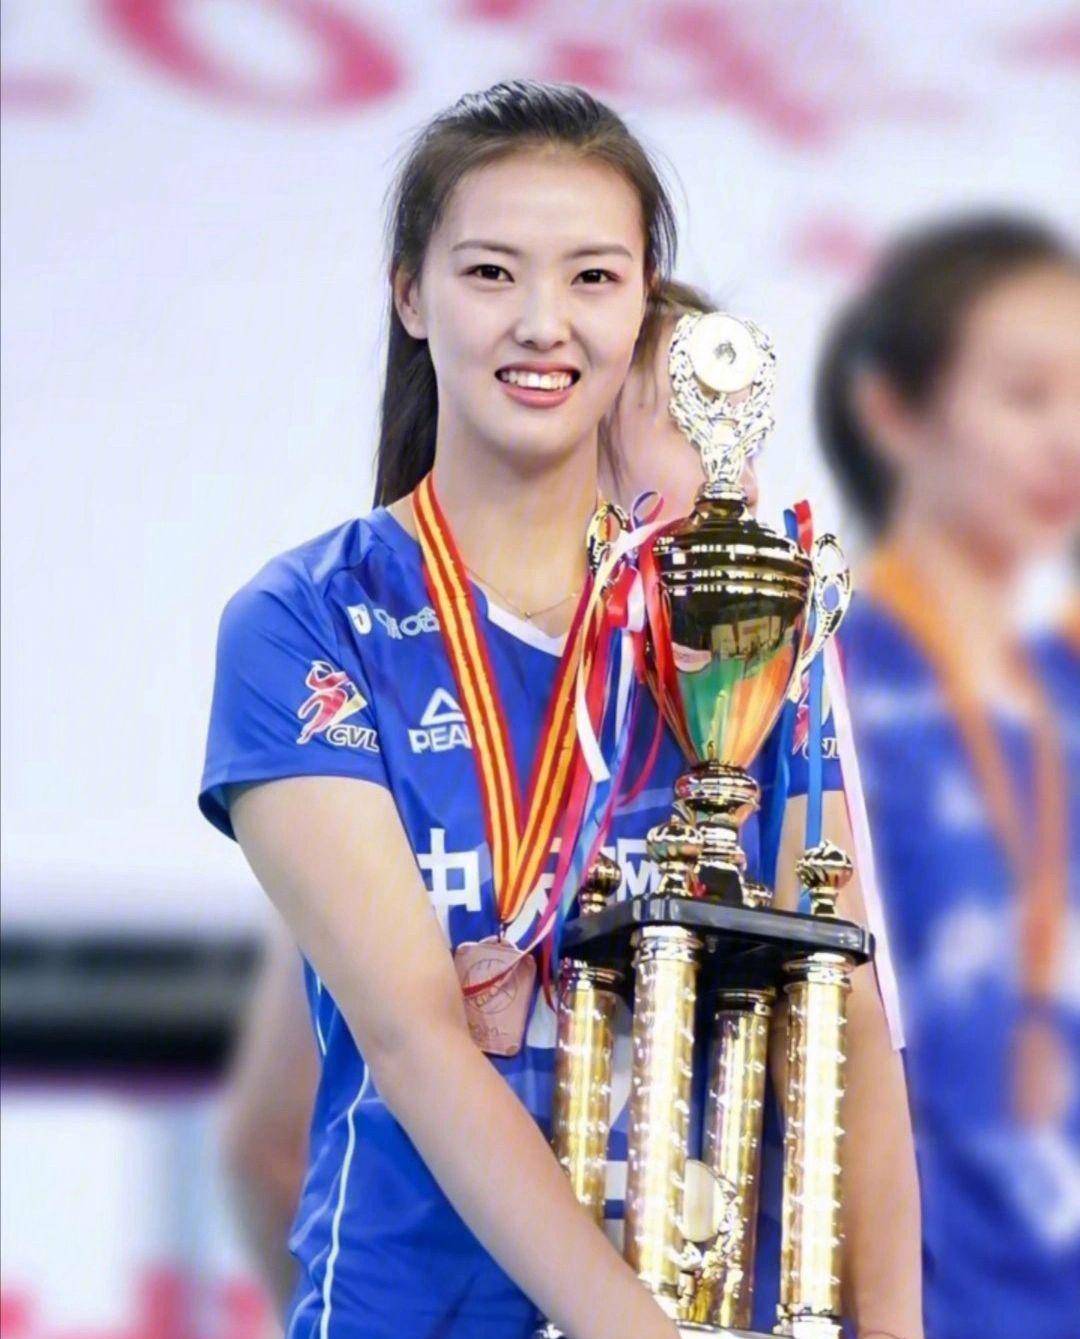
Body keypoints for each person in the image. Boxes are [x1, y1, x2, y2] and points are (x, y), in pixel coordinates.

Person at [200, 80, 921, 1339]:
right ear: (411, 295)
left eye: (593, 277)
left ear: (646, 308)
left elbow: (843, 1020)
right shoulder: (309, 622)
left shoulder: (738, 623)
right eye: (490, 273)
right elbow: (417, 1041)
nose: (543, 323)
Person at [815, 213, 1080, 1339]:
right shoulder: (820, 688)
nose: (1067, 439)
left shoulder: (1067, 683)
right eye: (1026, 395)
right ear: (892, 412)